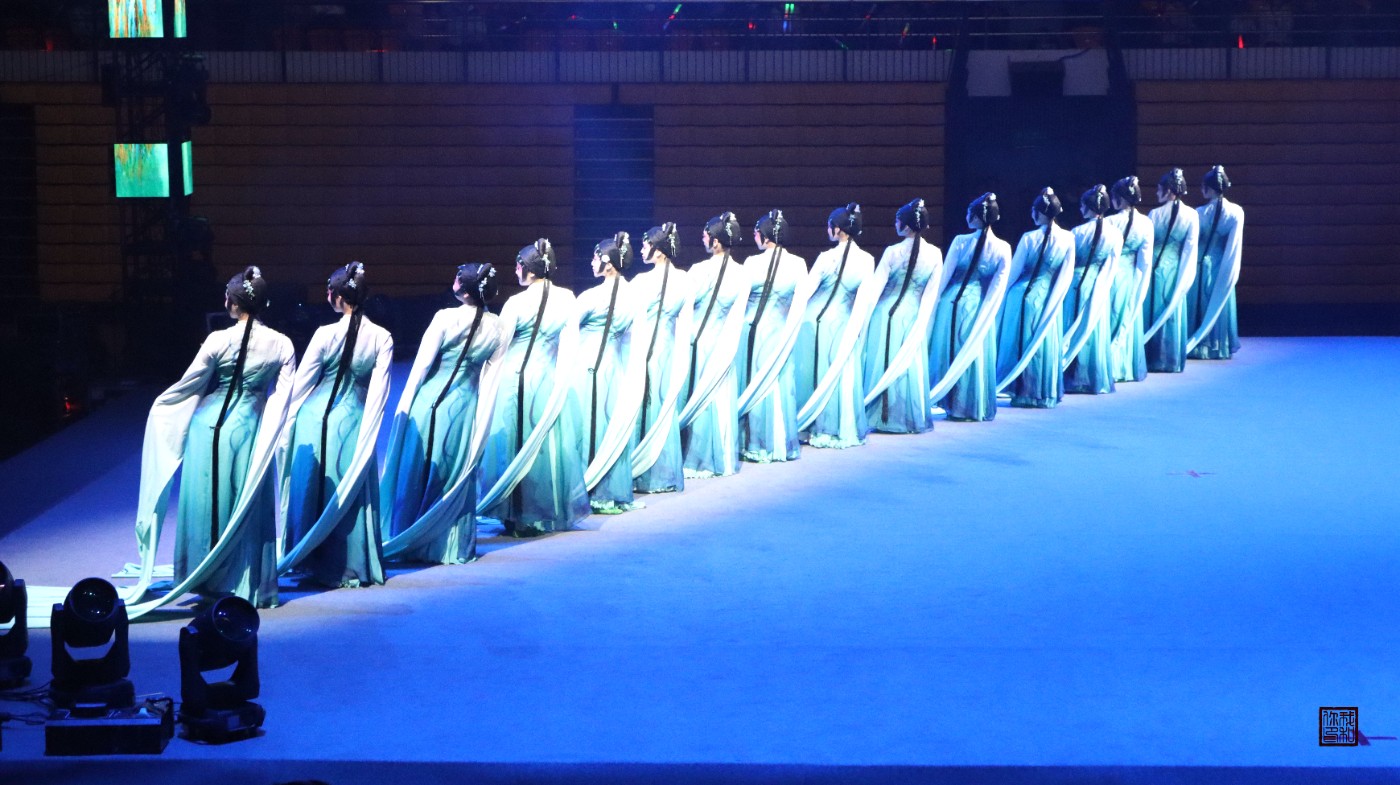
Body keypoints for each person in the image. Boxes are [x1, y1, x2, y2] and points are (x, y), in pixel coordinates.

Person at [130, 267, 294, 611]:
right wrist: (272, 435)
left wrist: (162, 407)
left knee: (207, 504)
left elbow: (190, 385)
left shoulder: (217, 340)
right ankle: (243, 580)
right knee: (244, 504)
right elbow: (282, 399)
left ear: (233, 304)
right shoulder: (282, 344)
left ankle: (205, 580)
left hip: (206, 429)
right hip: (249, 430)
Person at [380, 263, 507, 564]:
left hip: (429, 402)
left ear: (465, 291)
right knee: (452, 470)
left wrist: (404, 407)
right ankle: (448, 544)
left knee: (420, 469)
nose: (454, 280)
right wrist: (482, 425)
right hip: (464, 408)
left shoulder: (445, 317)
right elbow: (491, 382)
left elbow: (421, 366)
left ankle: (412, 538)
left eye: (458, 278)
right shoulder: (499, 327)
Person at [281, 262, 394, 588]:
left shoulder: (324, 334)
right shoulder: (381, 337)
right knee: (349, 492)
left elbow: (301, 385)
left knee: (313, 489)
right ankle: (350, 564)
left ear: (339, 298)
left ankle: (309, 561)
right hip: (354, 423)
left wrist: (285, 421)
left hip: (313, 421)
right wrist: (370, 433)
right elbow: (379, 394)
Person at [478, 239, 590, 536]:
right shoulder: (567, 298)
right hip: (548, 378)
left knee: (514, 442)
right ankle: (543, 509)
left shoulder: (516, 302)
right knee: (545, 447)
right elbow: (571, 344)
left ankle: (515, 512)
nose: (516, 270)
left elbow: (500, 345)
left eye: (519, 266)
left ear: (529, 269)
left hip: (515, 379)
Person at [793, 203, 877, 449]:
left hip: (812, 323)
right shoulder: (867, 260)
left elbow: (805, 292)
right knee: (838, 375)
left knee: (811, 375)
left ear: (837, 229)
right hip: (842, 324)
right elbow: (863, 302)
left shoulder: (825, 257)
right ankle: (834, 426)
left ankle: (810, 426)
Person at [863, 198, 947, 434]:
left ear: (907, 225)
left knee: (882, 363)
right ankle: (908, 418)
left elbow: (874, 290)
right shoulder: (935, 254)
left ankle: (881, 417)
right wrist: (924, 324)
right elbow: (931, 295)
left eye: (898, 220)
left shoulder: (893, 252)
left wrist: (863, 320)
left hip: (884, 316)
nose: (895, 223)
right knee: (909, 367)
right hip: (913, 316)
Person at [929, 192, 1011, 422]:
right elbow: (997, 287)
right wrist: (988, 312)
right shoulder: (1003, 247)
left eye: (969, 213)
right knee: (975, 354)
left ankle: (953, 404)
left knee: (951, 352)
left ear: (975, 218)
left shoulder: (960, 241)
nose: (966, 217)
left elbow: (944, 277)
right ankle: (973, 405)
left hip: (952, 305)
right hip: (979, 306)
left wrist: (933, 304)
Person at [576, 233, 643, 513]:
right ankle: (610, 491)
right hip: (615, 369)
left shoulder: (591, 297)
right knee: (608, 426)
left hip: (586, 368)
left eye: (595, 258)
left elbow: (568, 329)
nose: (591, 262)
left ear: (608, 263)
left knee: (586, 427)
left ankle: (586, 490)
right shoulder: (635, 296)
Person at [679, 212, 748, 479]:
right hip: (724, 342)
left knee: (699, 396)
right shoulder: (742, 273)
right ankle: (722, 458)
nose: (703, 240)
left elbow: (685, 304)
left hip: (698, 341)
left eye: (706, 236)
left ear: (716, 242)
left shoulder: (699, 270)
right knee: (719, 399)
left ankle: (697, 458)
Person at [738, 209, 810, 462]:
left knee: (755, 384)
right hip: (782, 333)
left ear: (766, 236)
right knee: (780, 386)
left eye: (757, 232)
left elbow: (740, 300)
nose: (754, 236)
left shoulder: (751, 263)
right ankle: (782, 443)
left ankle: (756, 443)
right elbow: (800, 304)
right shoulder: (798, 264)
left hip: (752, 332)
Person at [996, 188, 1076, 408]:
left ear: (1039, 213)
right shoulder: (1068, 238)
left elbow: (1014, 272)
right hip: (1048, 296)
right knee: (1043, 344)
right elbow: (1065, 274)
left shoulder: (1029, 238)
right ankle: (1043, 392)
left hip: (1020, 297)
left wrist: (1001, 297)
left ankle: (1021, 391)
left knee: (1019, 343)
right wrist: (1056, 299)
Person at [631, 223, 692, 494]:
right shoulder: (685, 280)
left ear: (658, 251)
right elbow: (686, 326)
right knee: (662, 406)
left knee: (640, 407)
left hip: (642, 348)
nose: (642, 248)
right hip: (668, 350)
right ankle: (663, 474)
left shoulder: (640, 282)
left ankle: (639, 474)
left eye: (646, 244)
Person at [1063, 186, 1124, 395]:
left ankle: (1073, 377)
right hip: (1099, 284)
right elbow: (1112, 264)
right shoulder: (1115, 234)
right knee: (1094, 329)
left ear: (1088, 207)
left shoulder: (1076, 233)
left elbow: (1069, 263)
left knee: (1073, 326)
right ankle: (1093, 378)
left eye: (1082, 205)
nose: (1080, 209)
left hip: (1076, 283)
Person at [1144, 168, 1199, 373]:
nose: (1156, 193)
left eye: (1159, 189)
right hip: (1176, 269)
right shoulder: (1192, 215)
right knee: (1172, 309)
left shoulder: (1155, 214)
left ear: (1168, 191)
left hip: (1155, 269)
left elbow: (1149, 245)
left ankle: (1153, 357)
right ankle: (1171, 359)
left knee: (1153, 310)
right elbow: (1190, 248)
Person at [1188, 165, 1244, 359]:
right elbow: (1233, 244)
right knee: (1218, 300)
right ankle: (1219, 345)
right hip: (1221, 263)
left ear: (1209, 188)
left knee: (1201, 303)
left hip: (1201, 264)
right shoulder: (1236, 212)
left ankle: (1201, 344)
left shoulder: (1199, 213)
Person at [1105, 176, 1155, 383]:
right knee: (1128, 314)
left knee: (1110, 317)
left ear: (1120, 198)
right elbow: (1145, 260)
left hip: (1111, 274)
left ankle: (1110, 367)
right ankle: (1126, 367)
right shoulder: (1146, 223)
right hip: (1131, 275)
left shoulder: (1109, 222)